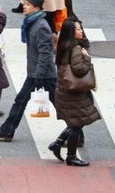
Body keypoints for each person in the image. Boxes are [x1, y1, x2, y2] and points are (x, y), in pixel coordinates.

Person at [0, 0, 57, 142]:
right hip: (36, 72)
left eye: (28, 4)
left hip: (43, 74)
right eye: (24, 3)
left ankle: (76, 132)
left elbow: (46, 54)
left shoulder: (41, 26)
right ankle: (7, 131)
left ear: (37, 8)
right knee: (20, 101)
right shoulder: (32, 22)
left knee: (60, 105)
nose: (24, 6)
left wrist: (38, 75)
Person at [50, 18, 100, 167]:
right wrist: (87, 58)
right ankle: (71, 157)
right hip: (73, 93)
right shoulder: (76, 49)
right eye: (78, 29)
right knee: (77, 124)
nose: (81, 31)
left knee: (75, 122)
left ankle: (58, 143)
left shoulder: (64, 45)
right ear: (71, 32)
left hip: (65, 91)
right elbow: (79, 70)